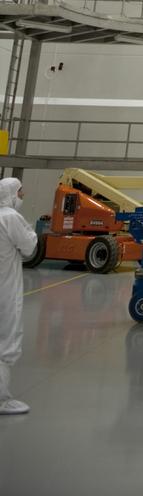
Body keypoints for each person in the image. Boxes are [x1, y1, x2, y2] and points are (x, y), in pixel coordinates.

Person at [0, 177, 38, 416]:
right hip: (5, 288)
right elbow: (29, 247)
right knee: (6, 340)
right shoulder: (11, 218)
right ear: (11, 193)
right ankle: (2, 398)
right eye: (20, 192)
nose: (23, 196)